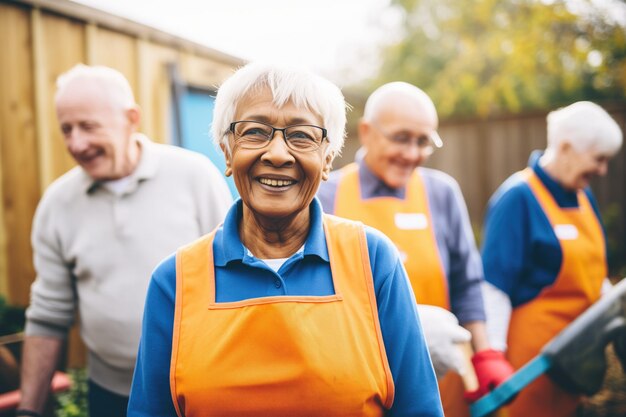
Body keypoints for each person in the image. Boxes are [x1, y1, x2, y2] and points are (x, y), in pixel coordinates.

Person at [127, 62, 444, 417]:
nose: (277, 154)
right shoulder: (175, 282)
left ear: (327, 160)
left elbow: (419, 408)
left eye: (302, 135)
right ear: (227, 151)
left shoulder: (373, 261)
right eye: (256, 132)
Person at [17, 64, 233, 417]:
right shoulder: (58, 204)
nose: (76, 143)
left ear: (131, 118)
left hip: (198, 385)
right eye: (66, 129)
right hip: (109, 394)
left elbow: (235, 277)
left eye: (88, 126)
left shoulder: (194, 176)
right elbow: (47, 316)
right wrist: (29, 410)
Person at [317, 82, 513, 415]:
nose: (411, 153)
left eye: (423, 141)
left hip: (442, 380)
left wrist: (485, 354)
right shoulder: (327, 195)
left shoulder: (442, 193)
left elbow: (467, 283)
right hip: (357, 378)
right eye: (401, 138)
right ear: (366, 132)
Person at [481, 101, 623, 417]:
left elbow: (594, 274)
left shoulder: (582, 195)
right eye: (598, 159)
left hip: (576, 364)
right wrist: (493, 355)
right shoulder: (517, 198)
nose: (602, 170)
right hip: (530, 368)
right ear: (566, 147)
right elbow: (494, 287)